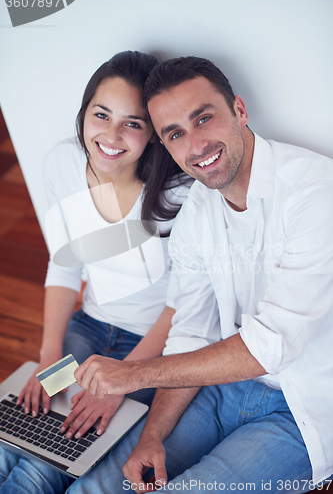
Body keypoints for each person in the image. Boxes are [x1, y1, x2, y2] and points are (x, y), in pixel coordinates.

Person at [65, 56, 333, 494]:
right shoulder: (197, 212)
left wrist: (134, 375)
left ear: (240, 111)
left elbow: (271, 346)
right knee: (97, 487)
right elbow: (190, 333)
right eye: (175, 134)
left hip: (302, 408)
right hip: (217, 388)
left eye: (203, 119)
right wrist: (152, 436)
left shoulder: (315, 192)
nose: (196, 145)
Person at [0, 51, 190, 493]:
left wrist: (124, 379)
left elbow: (183, 306)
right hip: (89, 325)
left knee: (45, 466)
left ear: (154, 135)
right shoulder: (61, 163)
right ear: (84, 113)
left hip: (150, 349)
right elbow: (64, 263)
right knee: (15, 438)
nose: (111, 134)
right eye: (101, 114)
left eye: (133, 123)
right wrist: (49, 356)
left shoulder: (180, 193)